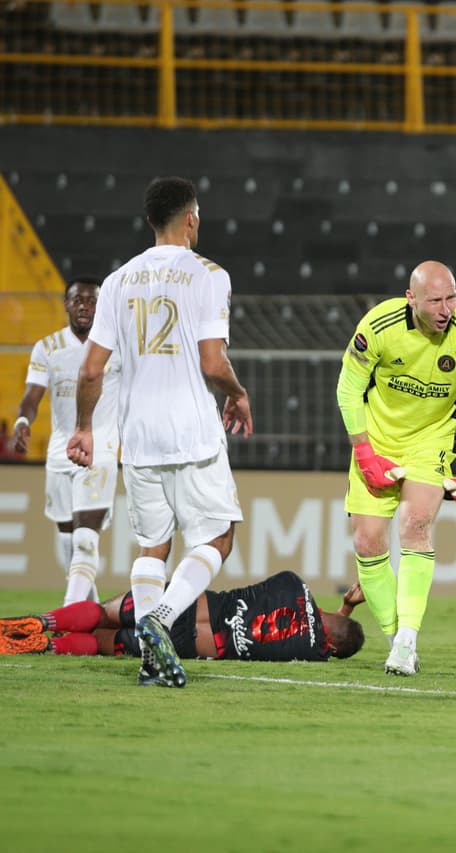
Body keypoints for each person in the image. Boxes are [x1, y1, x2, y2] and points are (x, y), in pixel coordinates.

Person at [67, 176, 252, 689]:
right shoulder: (209, 274)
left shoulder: (118, 281)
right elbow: (213, 363)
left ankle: (152, 661)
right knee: (218, 534)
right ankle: (161, 618)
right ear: (191, 217)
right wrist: (236, 394)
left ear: (151, 221)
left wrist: (84, 427)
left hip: (139, 437)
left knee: (153, 546)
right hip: (192, 432)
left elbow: (89, 371)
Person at [337, 261, 456, 677]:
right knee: (367, 541)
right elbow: (348, 387)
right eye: (435, 300)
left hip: (430, 441)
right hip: (376, 439)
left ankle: (407, 639)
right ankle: (398, 642)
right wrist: (364, 453)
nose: (446, 309)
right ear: (411, 298)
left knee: (415, 524)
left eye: (451, 298)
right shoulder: (379, 325)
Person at [12, 275, 120, 606]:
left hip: (100, 450)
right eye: (79, 300)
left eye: (92, 301)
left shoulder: (117, 345)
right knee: (69, 542)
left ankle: (68, 614)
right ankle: (89, 610)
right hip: (60, 454)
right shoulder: (48, 347)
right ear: (67, 305)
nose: (85, 306)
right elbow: (32, 396)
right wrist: (22, 421)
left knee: (87, 538)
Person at [0, 572, 366, 662]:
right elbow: (326, 639)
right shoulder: (309, 651)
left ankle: (42, 622)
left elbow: (321, 618)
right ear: (330, 647)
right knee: (99, 644)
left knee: (102, 612)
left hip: (186, 604)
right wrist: (341, 622)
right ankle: (45, 644)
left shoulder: (293, 583)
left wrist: (346, 607)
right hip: (186, 644)